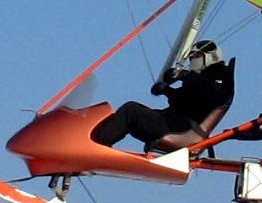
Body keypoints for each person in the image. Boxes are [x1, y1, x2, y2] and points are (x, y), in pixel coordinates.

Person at [91, 39, 233, 150]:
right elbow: (185, 101)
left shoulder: (220, 74)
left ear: (210, 57)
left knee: (130, 111)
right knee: (129, 114)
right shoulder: (202, 79)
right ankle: (94, 137)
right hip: (175, 124)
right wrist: (165, 90)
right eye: (191, 58)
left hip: (182, 129)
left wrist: (186, 76)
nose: (192, 61)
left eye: (196, 56)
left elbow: (215, 94)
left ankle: (96, 145)